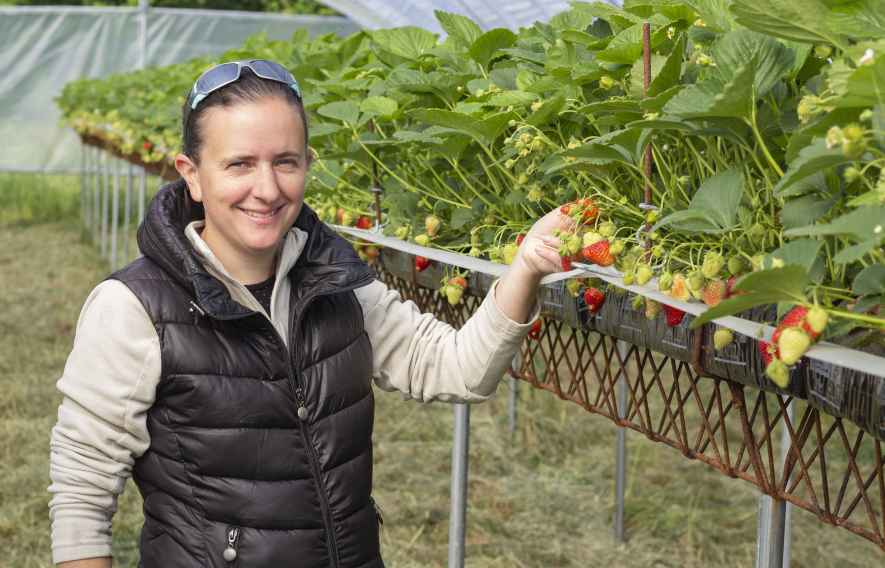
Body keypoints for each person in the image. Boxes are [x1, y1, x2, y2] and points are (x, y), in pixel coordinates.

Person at [48, 60, 568, 568]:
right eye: (240, 164)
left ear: (307, 164)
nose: (268, 189)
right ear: (193, 175)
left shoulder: (337, 283)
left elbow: (457, 368)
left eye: (286, 162)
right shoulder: (134, 308)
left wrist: (525, 268)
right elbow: (81, 500)